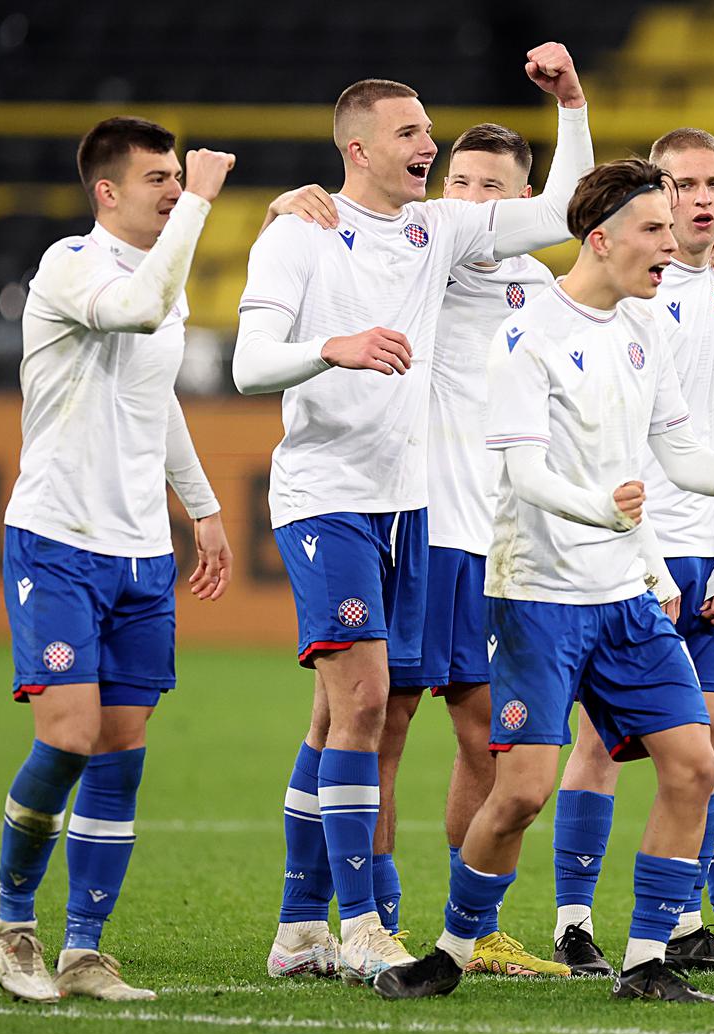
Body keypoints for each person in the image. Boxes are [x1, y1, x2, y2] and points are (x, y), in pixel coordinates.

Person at [371, 158, 714, 1004]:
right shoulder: (527, 335)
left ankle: (647, 960)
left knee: (694, 761)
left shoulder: (642, 328)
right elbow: (518, 473)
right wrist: (600, 506)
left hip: (625, 595)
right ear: (601, 239)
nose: (674, 243)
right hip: (540, 599)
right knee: (520, 792)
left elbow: (683, 458)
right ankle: (450, 950)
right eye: (655, 230)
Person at [232, 44, 591, 984]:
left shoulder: (436, 231)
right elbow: (247, 364)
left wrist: (573, 105)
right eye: (412, 131)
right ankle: (361, 925)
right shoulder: (298, 234)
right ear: (356, 148)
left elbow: (561, 212)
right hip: (326, 499)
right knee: (358, 706)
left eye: (430, 128)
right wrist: (333, 347)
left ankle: (298, 927)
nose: (430, 142)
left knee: (335, 720)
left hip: (411, 505)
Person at [0, 116, 235, 1002]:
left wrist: (200, 508)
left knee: (122, 749)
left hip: (138, 551)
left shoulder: (164, 285)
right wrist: (203, 204)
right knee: (70, 734)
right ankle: (13, 926)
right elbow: (131, 310)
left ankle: (86, 951)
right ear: (108, 192)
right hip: (57, 540)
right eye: (159, 177)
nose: (174, 187)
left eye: (179, 176)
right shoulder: (71, 265)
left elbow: (155, 398)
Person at [549, 128, 714, 976]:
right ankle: (575, 921)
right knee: (603, 745)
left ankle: (677, 926)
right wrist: (644, 558)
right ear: (654, 200)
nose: (704, 198)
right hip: (631, 551)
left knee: (708, 742)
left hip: (708, 552)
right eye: (684, 184)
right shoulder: (627, 303)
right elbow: (617, 447)